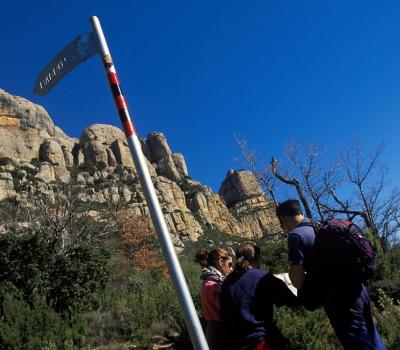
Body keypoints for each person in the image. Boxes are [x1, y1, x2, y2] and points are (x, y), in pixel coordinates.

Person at [276, 199, 386, 350]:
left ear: (283, 218)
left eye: (281, 223)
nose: (283, 228)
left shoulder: (296, 236)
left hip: (340, 300)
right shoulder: (319, 225)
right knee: (373, 339)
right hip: (359, 289)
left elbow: (297, 280)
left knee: (359, 345)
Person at [220, 241, 298, 350]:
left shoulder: (226, 283)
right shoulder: (263, 277)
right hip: (260, 341)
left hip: (235, 343)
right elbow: (292, 301)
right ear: (257, 257)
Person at [195, 247, 233, 350]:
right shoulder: (216, 286)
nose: (231, 268)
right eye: (229, 264)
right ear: (221, 262)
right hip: (222, 334)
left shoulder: (207, 282)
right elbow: (226, 313)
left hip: (212, 332)